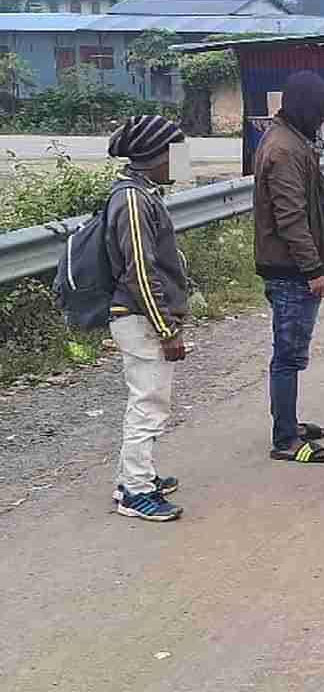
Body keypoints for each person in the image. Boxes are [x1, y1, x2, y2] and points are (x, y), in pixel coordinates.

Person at [253, 71, 324, 465]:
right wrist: (313, 270)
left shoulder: (291, 140)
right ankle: (285, 439)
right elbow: (291, 219)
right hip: (291, 270)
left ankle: (288, 422)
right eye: (319, 113)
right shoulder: (285, 150)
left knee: (291, 354)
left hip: (291, 268)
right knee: (287, 356)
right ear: (305, 109)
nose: (322, 121)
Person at [105, 115, 189, 522]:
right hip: (140, 320)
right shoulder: (134, 199)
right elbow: (140, 270)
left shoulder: (140, 193)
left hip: (139, 318)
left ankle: (134, 479)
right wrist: (166, 328)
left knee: (147, 401)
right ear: (153, 156)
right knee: (149, 405)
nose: (180, 161)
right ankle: (135, 493)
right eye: (175, 153)